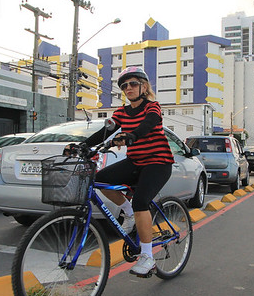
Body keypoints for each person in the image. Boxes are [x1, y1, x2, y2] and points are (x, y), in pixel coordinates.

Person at [65, 67, 174, 277]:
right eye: (124, 86)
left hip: (158, 162)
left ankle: (147, 257)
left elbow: (148, 124)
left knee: (141, 200)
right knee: (100, 179)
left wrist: (132, 135)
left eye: (133, 83)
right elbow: (104, 132)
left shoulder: (153, 107)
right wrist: (81, 145)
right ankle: (129, 212)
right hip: (136, 161)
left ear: (144, 86)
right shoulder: (121, 113)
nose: (128, 88)